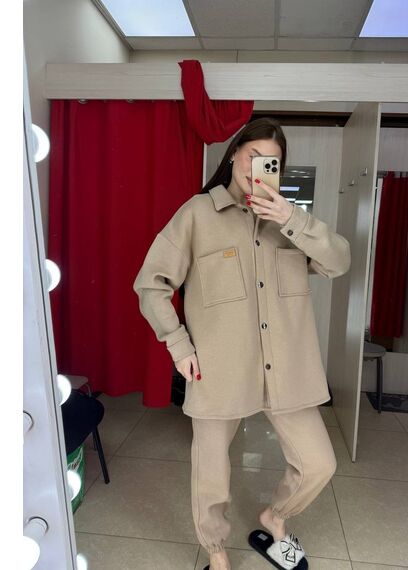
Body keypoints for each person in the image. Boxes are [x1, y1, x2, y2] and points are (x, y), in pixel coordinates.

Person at [133, 118, 351, 570]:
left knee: (319, 463)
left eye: (271, 162)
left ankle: (275, 516)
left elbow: (339, 261)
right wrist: (179, 345)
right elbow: (151, 284)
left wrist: (292, 218)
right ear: (234, 153)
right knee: (211, 476)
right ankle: (216, 553)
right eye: (253, 156)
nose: (258, 168)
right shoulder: (197, 215)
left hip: (286, 369)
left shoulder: (290, 223)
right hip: (219, 369)